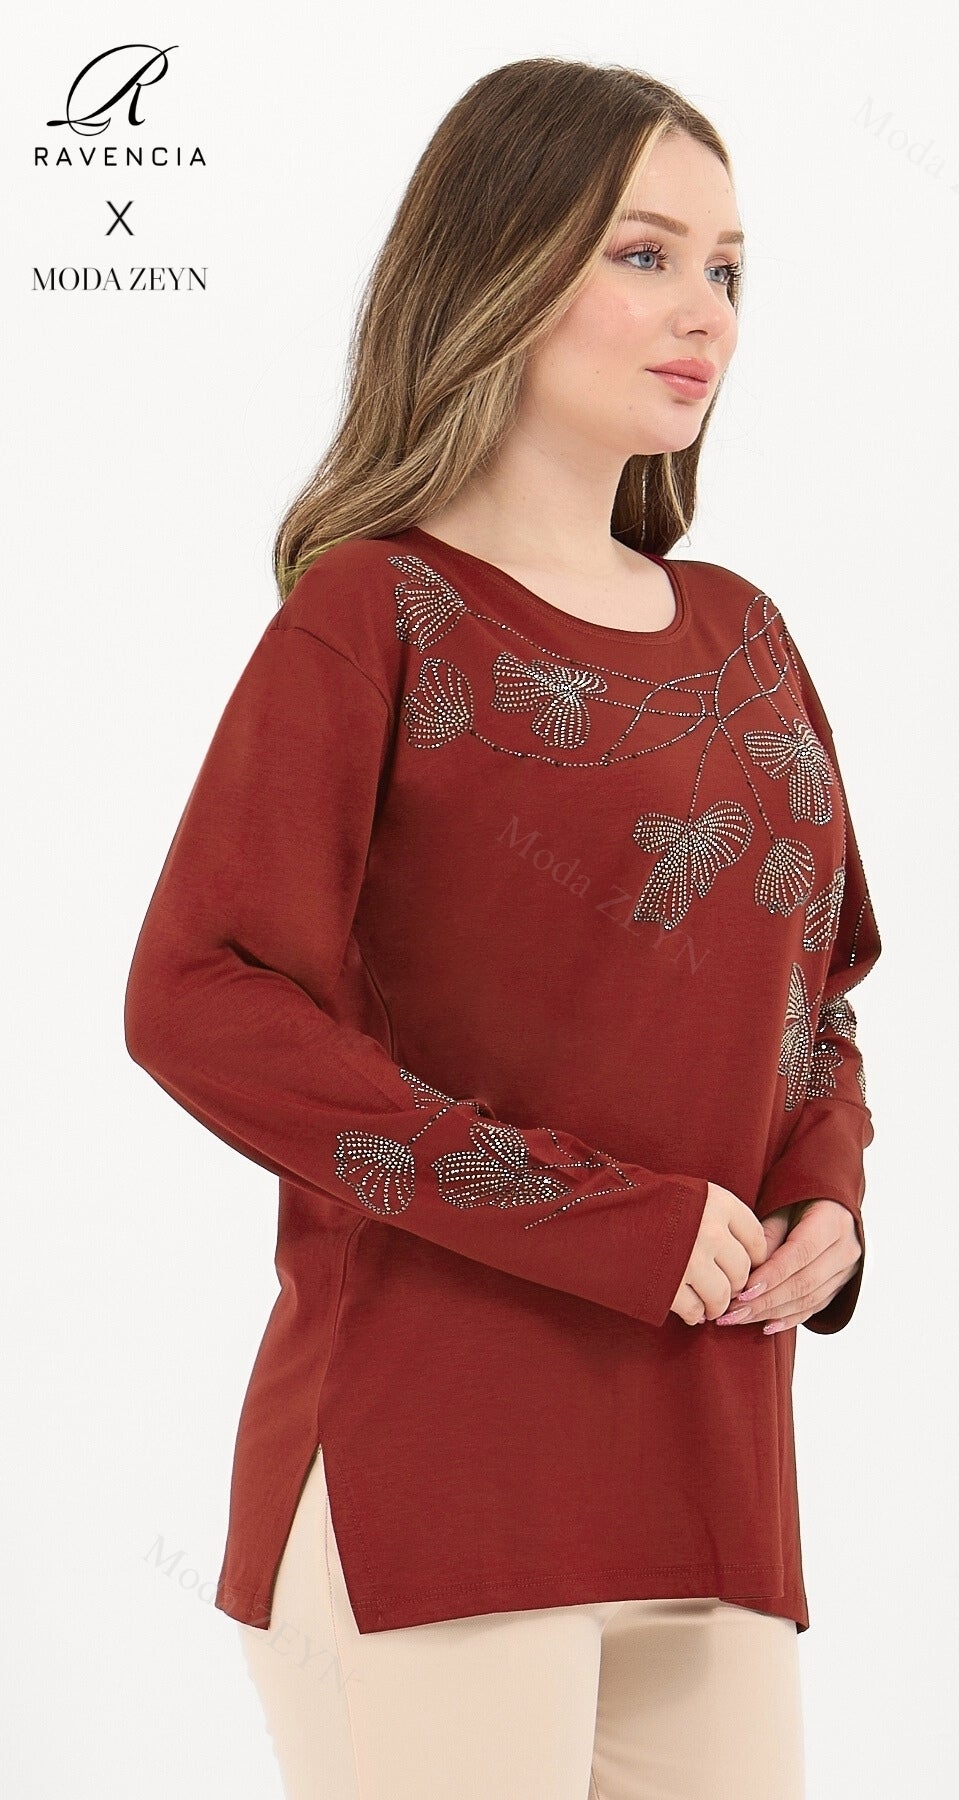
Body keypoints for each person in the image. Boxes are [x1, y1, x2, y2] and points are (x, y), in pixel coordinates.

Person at [123, 54, 882, 1800]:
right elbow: (195, 995)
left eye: (728, 269)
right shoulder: (375, 615)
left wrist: (827, 1197)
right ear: (501, 266)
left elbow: (815, 997)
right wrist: (600, 1217)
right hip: (437, 1471)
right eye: (645, 253)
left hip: (713, 1467)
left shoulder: (746, 638)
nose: (705, 311)